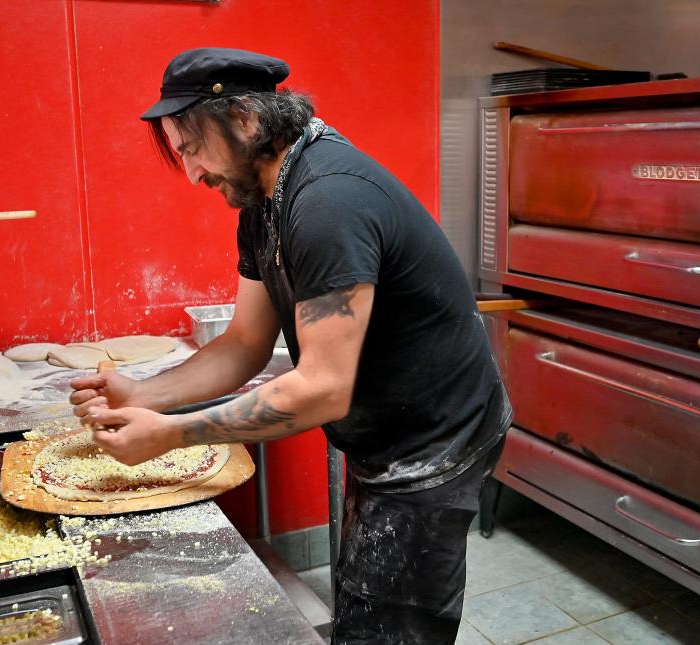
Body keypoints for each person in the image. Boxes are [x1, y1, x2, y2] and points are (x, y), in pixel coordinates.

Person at [69, 47, 512, 645]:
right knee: (362, 594)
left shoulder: (329, 202)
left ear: (246, 120)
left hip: (437, 437)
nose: (194, 174)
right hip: (386, 423)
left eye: (193, 149)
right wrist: (145, 395)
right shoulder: (261, 201)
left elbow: (322, 390)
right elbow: (244, 344)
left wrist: (170, 433)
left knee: (390, 623)